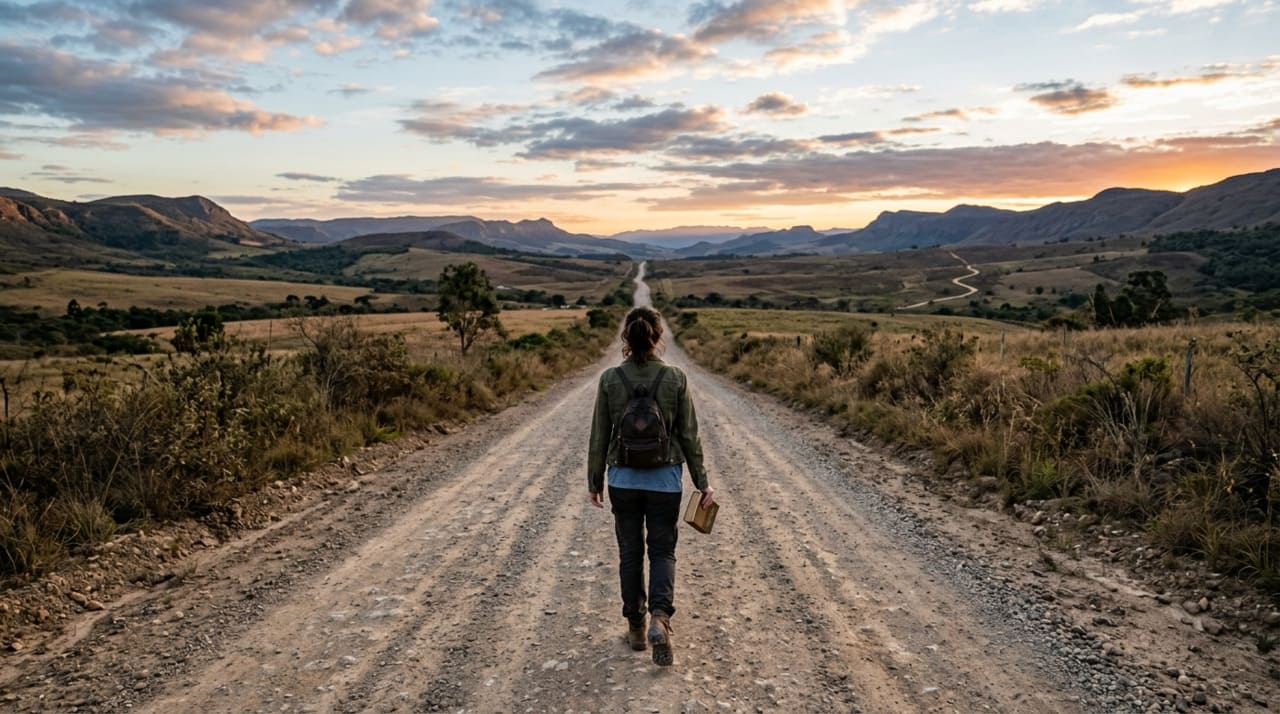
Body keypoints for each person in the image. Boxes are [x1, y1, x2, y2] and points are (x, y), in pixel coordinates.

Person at [587, 306, 715, 667]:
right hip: (665, 481)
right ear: (658, 336)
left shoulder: (610, 379)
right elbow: (689, 436)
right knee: (662, 551)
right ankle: (660, 618)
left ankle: (636, 628)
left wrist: (595, 480)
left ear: (626, 336)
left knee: (630, 553)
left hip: (623, 481)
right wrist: (702, 482)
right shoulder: (675, 378)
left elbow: (599, 436)